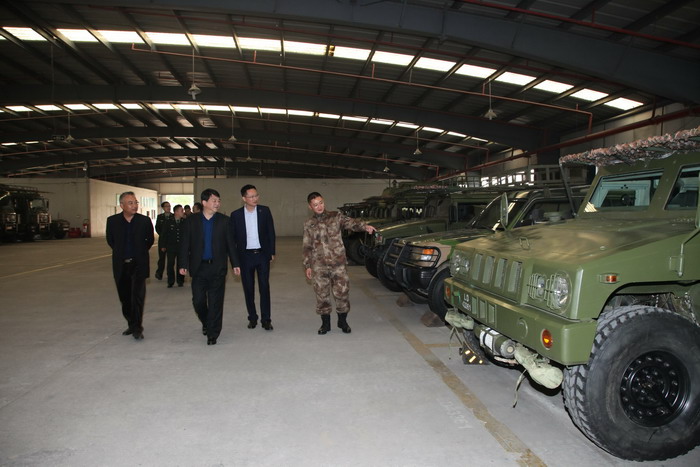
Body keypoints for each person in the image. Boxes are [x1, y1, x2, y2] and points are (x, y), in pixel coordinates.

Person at [302, 192, 376, 335]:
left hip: (338, 264)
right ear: (310, 207)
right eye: (315, 205)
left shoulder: (335, 216)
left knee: (342, 293)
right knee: (322, 294)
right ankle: (325, 324)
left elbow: (351, 223)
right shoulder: (309, 223)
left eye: (321, 203)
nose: (319, 206)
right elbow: (307, 246)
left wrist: (365, 226)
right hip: (319, 265)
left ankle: (342, 321)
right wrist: (307, 265)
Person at [179, 189, 240, 345]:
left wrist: (235, 263)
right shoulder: (191, 221)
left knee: (215, 302)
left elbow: (230, 244)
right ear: (204, 202)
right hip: (198, 268)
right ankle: (206, 321)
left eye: (219, 201)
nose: (217, 204)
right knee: (198, 301)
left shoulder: (224, 221)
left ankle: (213, 333)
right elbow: (185, 244)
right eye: (214, 201)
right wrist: (183, 264)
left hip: (217, 267)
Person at [106, 191, 155, 340]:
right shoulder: (112, 221)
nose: (134, 206)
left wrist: (139, 253)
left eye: (135, 202)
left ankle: (137, 328)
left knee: (137, 296)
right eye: (130, 203)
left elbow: (149, 240)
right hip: (121, 265)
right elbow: (111, 241)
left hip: (138, 264)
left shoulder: (144, 221)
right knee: (125, 297)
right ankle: (131, 323)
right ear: (122, 205)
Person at [230, 184, 276, 331]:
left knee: (264, 287)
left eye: (256, 195)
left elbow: (270, 232)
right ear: (244, 198)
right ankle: (252, 317)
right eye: (251, 196)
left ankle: (266, 319)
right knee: (248, 288)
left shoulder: (265, 211)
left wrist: (271, 252)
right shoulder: (236, 215)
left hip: (262, 255)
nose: (255, 198)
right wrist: (235, 261)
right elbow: (232, 240)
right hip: (245, 257)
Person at [161, 204, 186, 288]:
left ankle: (180, 280)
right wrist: (163, 245)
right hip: (171, 247)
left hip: (181, 247)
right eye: (181, 211)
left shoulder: (184, 222)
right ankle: (170, 281)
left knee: (181, 264)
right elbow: (164, 234)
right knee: (170, 264)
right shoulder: (168, 222)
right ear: (176, 212)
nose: (183, 212)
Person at [154, 201, 172, 280]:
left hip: (171, 241)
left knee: (170, 259)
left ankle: (170, 274)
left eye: (169, 206)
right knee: (161, 258)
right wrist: (162, 235)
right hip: (162, 240)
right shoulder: (160, 216)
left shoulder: (173, 216)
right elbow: (157, 227)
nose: (168, 207)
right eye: (166, 206)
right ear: (163, 208)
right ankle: (159, 273)